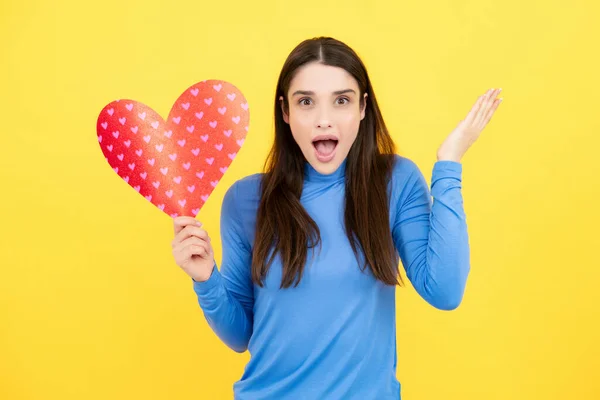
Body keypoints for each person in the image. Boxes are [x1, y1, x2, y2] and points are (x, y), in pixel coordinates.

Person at [171, 36, 501, 399]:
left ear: (362, 107)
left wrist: (449, 164)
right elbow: (240, 337)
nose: (324, 121)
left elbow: (445, 290)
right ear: (285, 111)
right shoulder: (246, 199)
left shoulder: (395, 181)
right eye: (306, 102)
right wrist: (205, 279)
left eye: (341, 100)